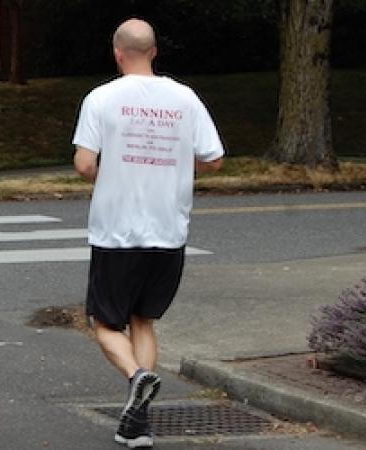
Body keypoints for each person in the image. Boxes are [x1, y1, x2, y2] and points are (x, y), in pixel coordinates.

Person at [71, 18, 225, 449]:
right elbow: (213, 159)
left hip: (117, 230)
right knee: (144, 320)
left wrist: (114, 171)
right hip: (169, 229)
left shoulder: (101, 98)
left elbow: (84, 164)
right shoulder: (185, 98)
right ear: (154, 52)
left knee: (104, 324)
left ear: (118, 53)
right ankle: (137, 424)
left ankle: (138, 377)